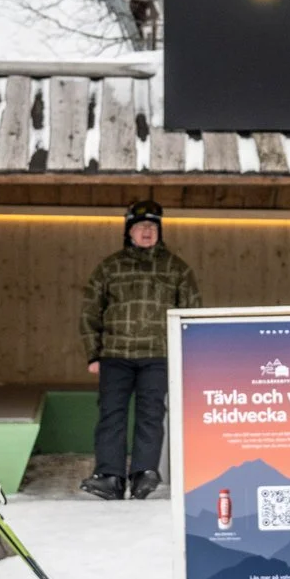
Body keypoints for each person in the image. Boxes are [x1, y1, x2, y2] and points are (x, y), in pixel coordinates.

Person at [79, 199, 202, 501]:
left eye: (152, 227)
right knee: (111, 415)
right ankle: (110, 477)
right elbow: (90, 313)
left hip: (158, 356)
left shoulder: (177, 269)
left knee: (151, 415)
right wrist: (93, 354)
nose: (147, 232)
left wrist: (187, 356)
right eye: (140, 227)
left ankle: (145, 473)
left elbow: (193, 312)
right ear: (129, 232)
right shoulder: (109, 267)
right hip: (115, 356)